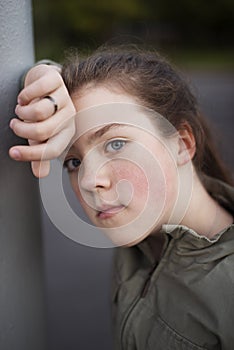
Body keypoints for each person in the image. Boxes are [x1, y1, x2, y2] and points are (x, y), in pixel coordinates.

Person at [9, 47, 234, 349]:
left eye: (115, 144)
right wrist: (43, 74)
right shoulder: (143, 235)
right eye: (73, 162)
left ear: (182, 144)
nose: (90, 181)